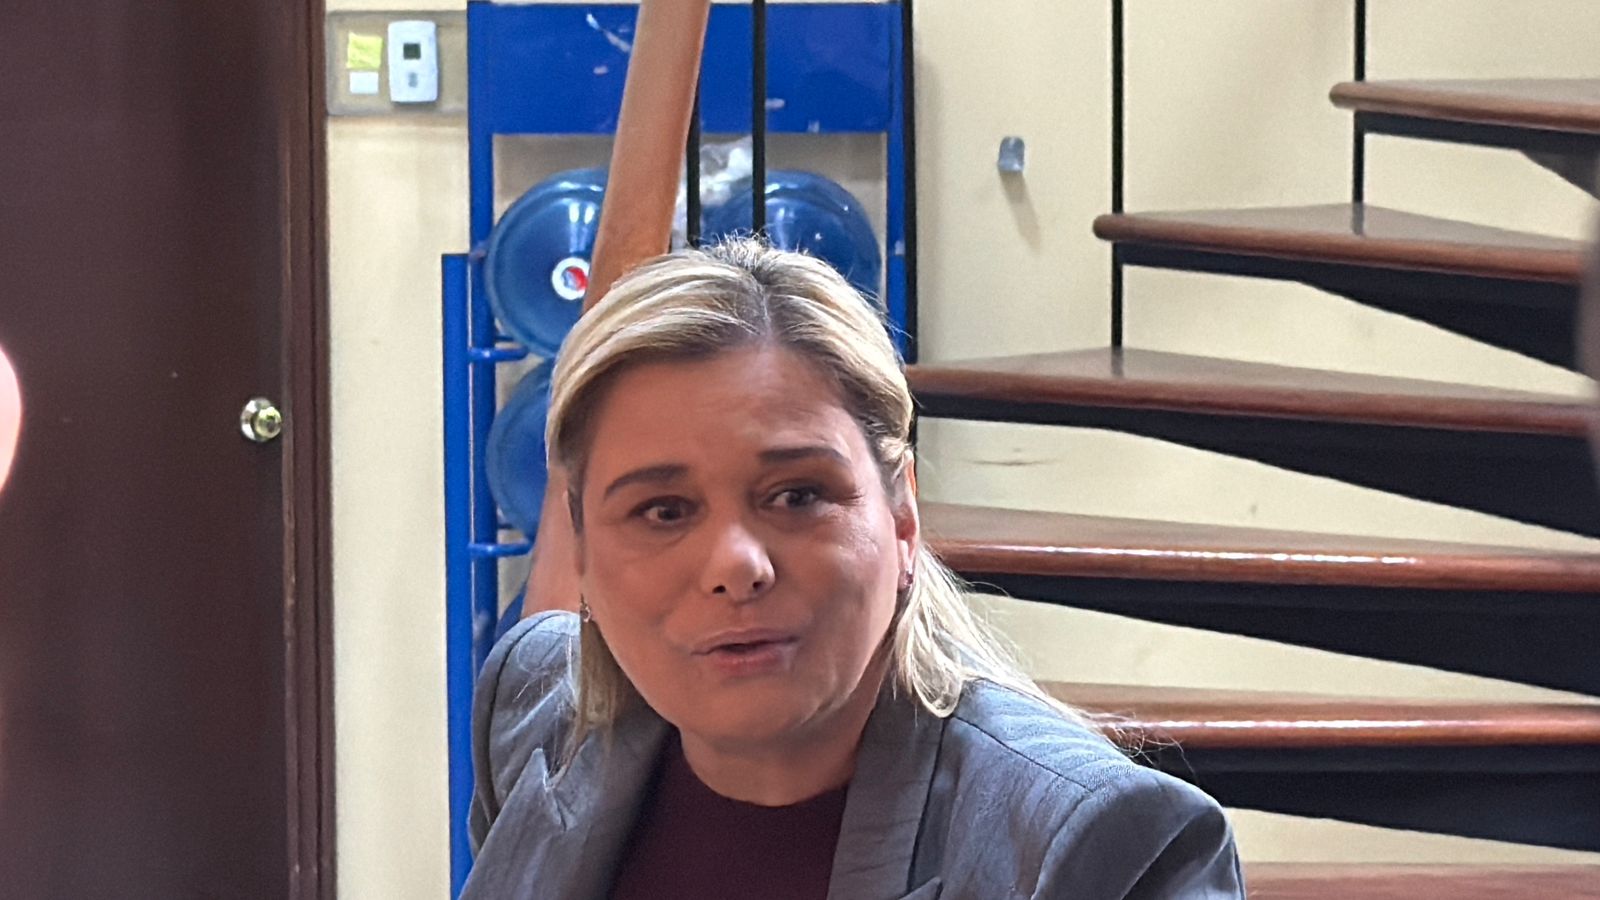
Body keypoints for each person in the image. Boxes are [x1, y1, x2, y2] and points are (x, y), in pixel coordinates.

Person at [464, 238, 1244, 899]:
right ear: (581, 547)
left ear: (903, 516)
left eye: (797, 495)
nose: (736, 566)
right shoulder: (531, 708)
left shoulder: (1101, 846)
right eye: (663, 511)